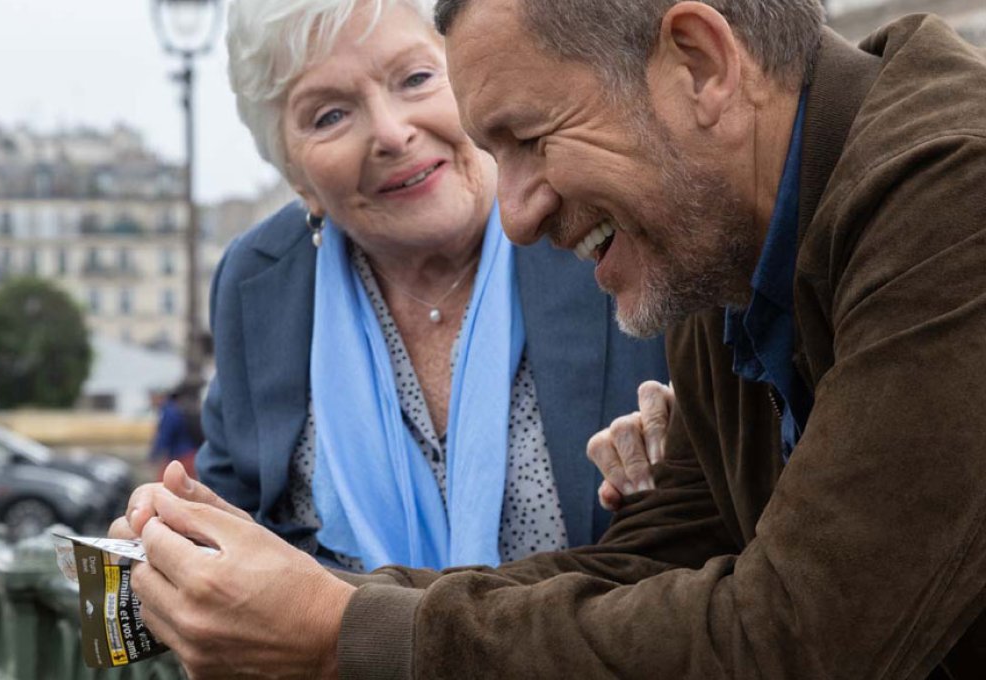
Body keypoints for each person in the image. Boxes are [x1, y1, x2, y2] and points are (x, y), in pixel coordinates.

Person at [112, 0, 986, 677]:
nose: (516, 212)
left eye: (529, 140)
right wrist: (289, 597)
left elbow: (793, 642)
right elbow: (648, 569)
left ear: (702, 62)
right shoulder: (722, 238)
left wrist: (336, 631)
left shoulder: (955, 197)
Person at [191, 0, 667, 573]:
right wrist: (172, 549)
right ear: (298, 180)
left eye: (416, 79)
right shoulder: (259, 280)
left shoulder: (594, 215)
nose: (392, 133)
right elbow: (233, 526)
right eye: (329, 116)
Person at [148, 384, 202, 480]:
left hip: (181, 455)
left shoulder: (168, 412)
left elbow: (164, 436)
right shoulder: (176, 408)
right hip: (189, 453)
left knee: (165, 484)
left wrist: (153, 455)